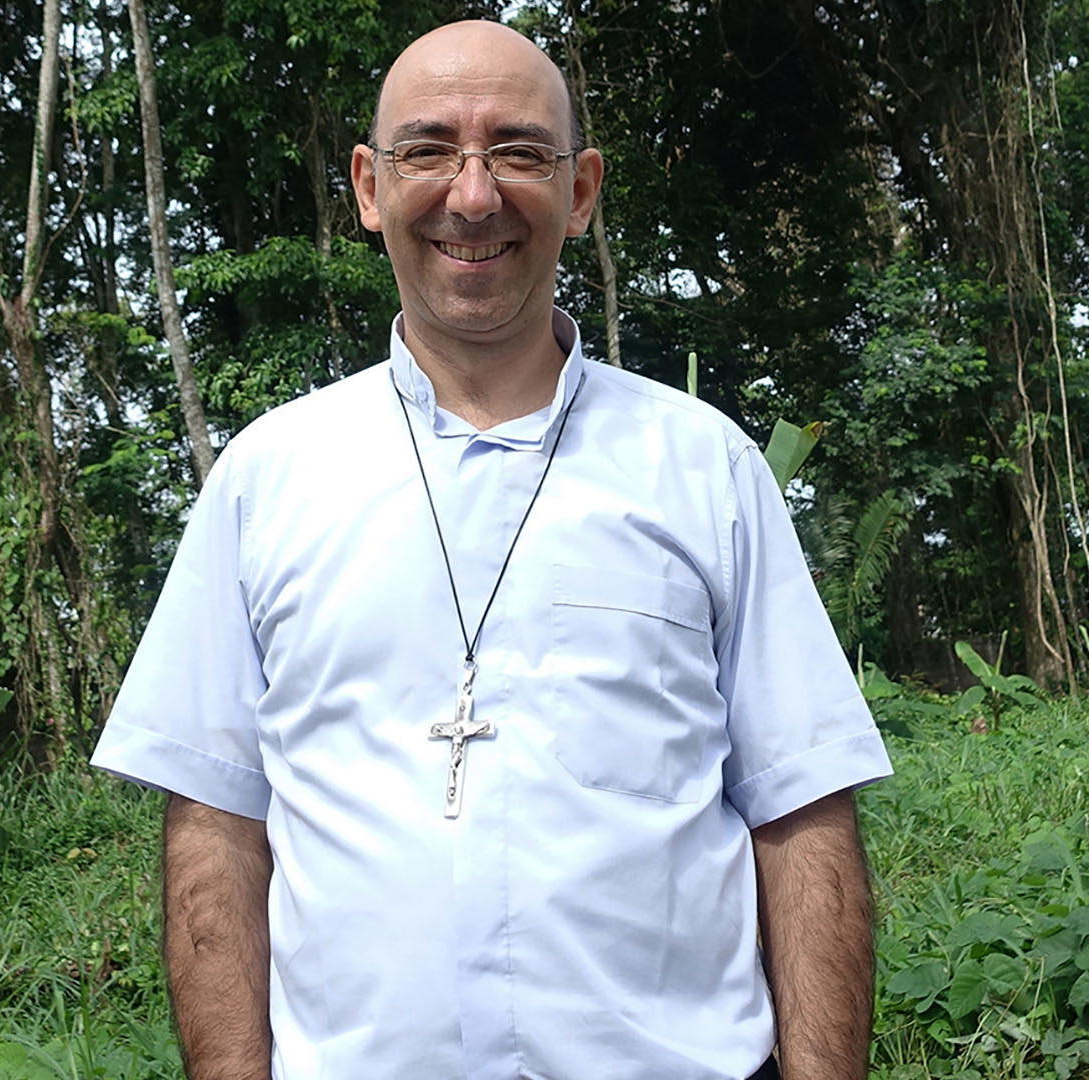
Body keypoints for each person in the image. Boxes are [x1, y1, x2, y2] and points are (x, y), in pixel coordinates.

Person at [88, 19, 893, 1080]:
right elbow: (217, 826)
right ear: (371, 188)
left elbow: (803, 808)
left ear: (583, 189)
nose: (474, 195)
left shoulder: (704, 467)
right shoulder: (267, 478)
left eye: (518, 151)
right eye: (430, 151)